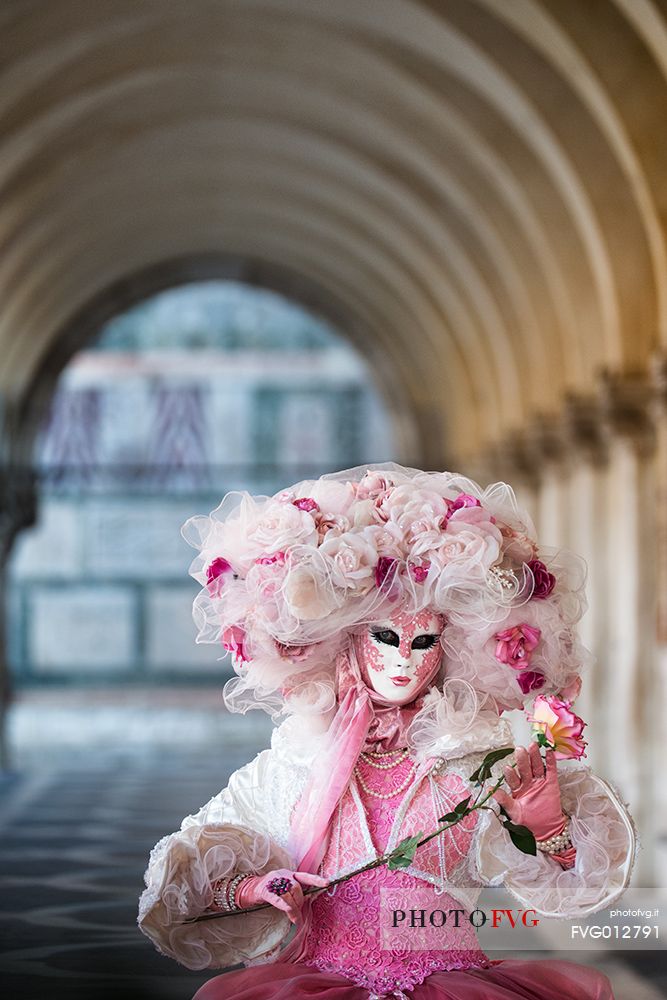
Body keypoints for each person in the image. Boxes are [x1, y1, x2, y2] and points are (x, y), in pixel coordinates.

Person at [138, 464, 635, 999]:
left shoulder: (475, 762)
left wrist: (550, 829)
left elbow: (577, 884)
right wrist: (253, 888)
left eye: (423, 642)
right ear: (347, 641)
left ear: (448, 649)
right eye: (384, 637)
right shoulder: (297, 765)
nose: (403, 658)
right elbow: (184, 894)